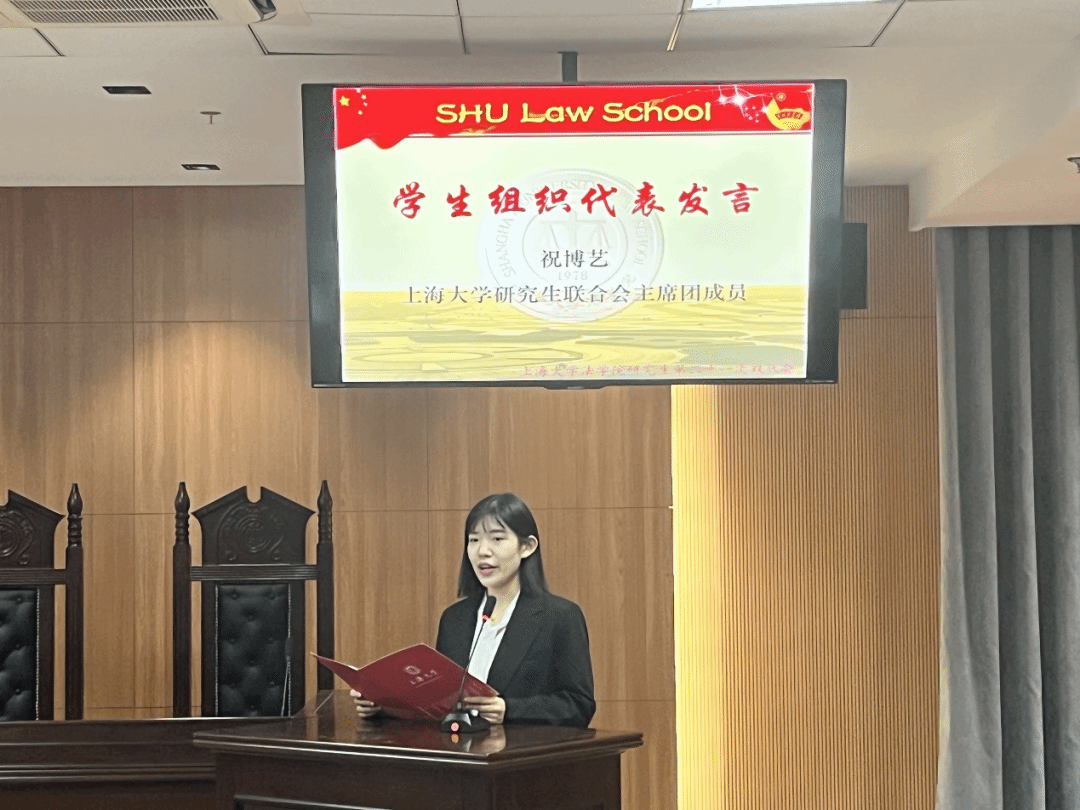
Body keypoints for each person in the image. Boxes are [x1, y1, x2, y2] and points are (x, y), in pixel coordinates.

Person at [352, 492, 595, 727]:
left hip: (520, 752)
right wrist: (381, 705)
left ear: (527, 546)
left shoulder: (560, 617)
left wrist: (509, 710)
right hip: (458, 750)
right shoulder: (454, 619)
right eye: (474, 540)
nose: (482, 551)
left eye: (497, 539)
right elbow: (437, 704)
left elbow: (579, 705)